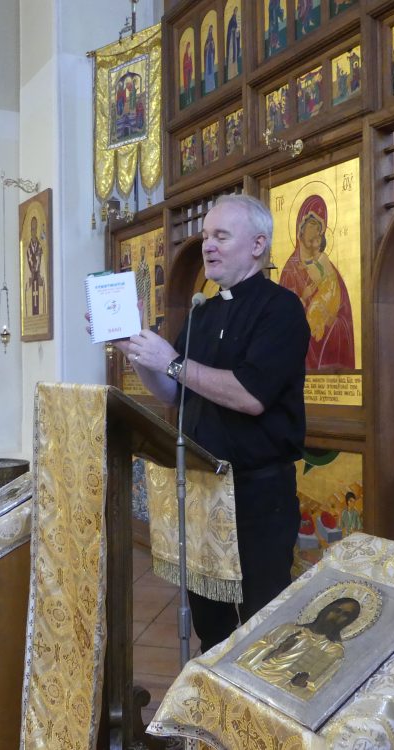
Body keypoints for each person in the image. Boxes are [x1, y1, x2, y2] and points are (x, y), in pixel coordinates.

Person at [112, 194, 309, 653]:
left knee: (262, 627)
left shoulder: (281, 309)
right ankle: (209, 697)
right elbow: (173, 394)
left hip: (256, 496)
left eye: (221, 236)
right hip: (202, 492)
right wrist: (136, 351)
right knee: (211, 626)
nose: (208, 246)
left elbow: (251, 397)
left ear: (257, 244)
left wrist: (173, 362)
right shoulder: (203, 312)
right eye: (205, 237)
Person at [278, 194, 355, 370]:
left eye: (319, 228)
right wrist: (304, 298)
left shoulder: (328, 268)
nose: (316, 231)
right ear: (300, 229)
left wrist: (330, 320)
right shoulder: (290, 271)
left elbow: (344, 319)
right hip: (298, 354)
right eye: (312, 225)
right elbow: (281, 318)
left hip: (325, 349)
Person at [236, 597, 361, 697]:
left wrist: (300, 683)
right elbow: (248, 655)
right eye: (337, 610)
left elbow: (315, 687)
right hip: (249, 678)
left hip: (279, 693)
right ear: (326, 610)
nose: (337, 617)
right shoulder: (288, 629)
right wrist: (279, 649)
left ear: (348, 621)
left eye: (346, 615)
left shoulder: (333, 650)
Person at [25, 216, 44, 315]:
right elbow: (26, 272)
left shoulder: (40, 248)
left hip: (38, 280)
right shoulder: (27, 250)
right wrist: (30, 277)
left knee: (39, 302)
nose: (34, 232)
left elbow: (43, 267)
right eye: (32, 229)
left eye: (35, 229)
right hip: (31, 281)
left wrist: (40, 276)